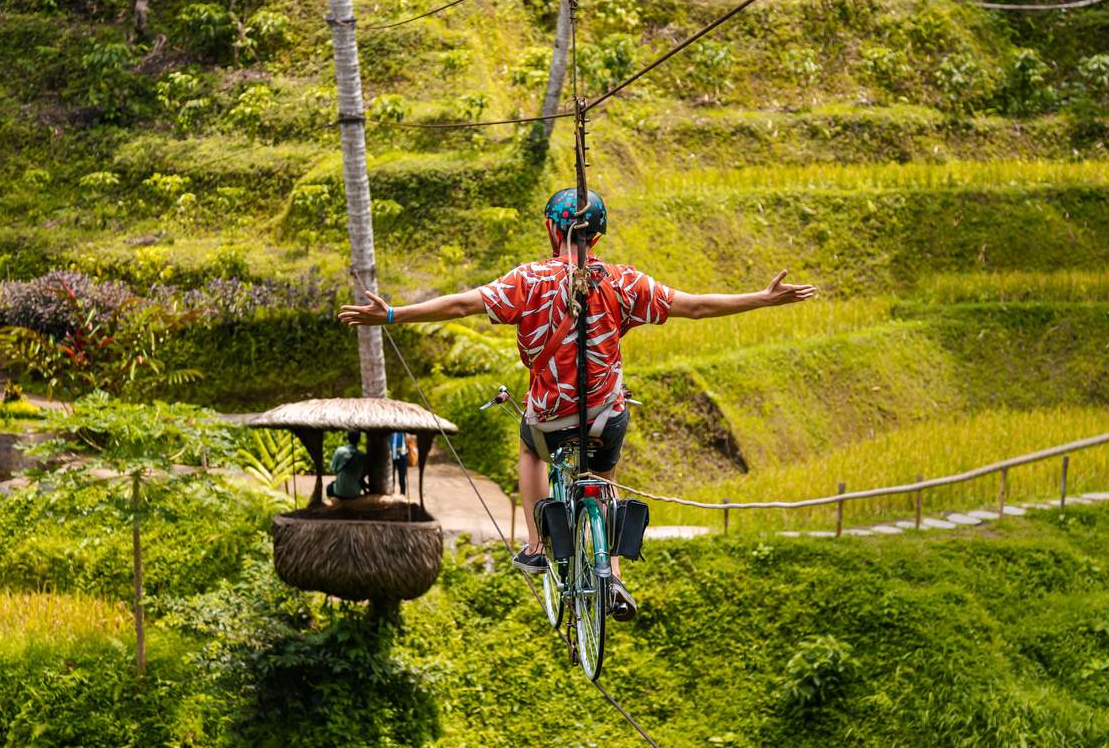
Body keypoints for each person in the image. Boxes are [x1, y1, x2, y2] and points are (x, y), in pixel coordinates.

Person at [339, 188, 816, 619]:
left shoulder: (528, 280)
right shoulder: (625, 282)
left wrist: (395, 314)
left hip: (550, 418)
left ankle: (534, 545)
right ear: (598, 236)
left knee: (530, 446)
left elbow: (462, 305)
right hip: (606, 417)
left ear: (552, 228)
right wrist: (762, 299)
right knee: (603, 473)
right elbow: (694, 306)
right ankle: (613, 573)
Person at [326, 431, 367, 500]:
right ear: (359, 439)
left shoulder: (339, 451)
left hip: (339, 492)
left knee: (329, 488)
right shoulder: (362, 455)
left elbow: (333, 469)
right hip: (355, 493)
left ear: (347, 438)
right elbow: (363, 474)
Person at [389, 431, 410, 496]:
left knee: (402, 477)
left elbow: (410, 438)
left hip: (402, 457)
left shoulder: (403, 431)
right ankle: (391, 493)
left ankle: (403, 494)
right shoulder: (390, 432)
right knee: (391, 477)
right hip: (391, 457)